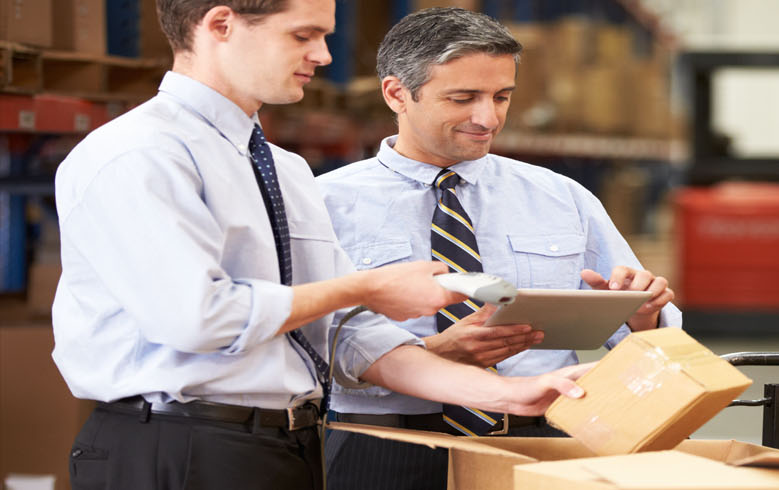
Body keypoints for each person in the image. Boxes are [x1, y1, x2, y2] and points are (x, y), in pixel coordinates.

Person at [51, 2, 589, 489]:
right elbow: (198, 317)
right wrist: (368, 286)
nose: (324, 55)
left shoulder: (284, 170)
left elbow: (351, 331)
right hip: (177, 445)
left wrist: (512, 394)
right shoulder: (139, 155)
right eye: (303, 36)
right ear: (221, 25)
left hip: (285, 446)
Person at [316, 7, 682, 488]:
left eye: (501, 96)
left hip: (541, 442)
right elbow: (299, 345)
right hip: (381, 446)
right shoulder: (323, 204)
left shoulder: (561, 197)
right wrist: (431, 352)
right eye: (463, 98)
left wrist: (643, 316)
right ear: (397, 94)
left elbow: (645, 339)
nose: (487, 118)